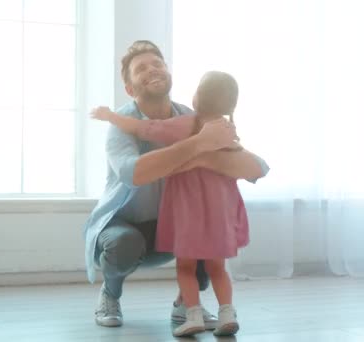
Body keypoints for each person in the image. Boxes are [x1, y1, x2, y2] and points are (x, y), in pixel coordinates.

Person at [82, 40, 269, 331]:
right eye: (141, 68)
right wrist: (199, 145)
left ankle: (187, 306)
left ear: (169, 73)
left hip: (175, 223)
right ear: (130, 89)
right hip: (125, 226)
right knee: (123, 245)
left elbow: (255, 167)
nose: (152, 70)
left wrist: (200, 159)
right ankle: (110, 293)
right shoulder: (124, 125)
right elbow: (135, 174)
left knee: (207, 238)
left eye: (157, 64)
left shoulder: (193, 118)